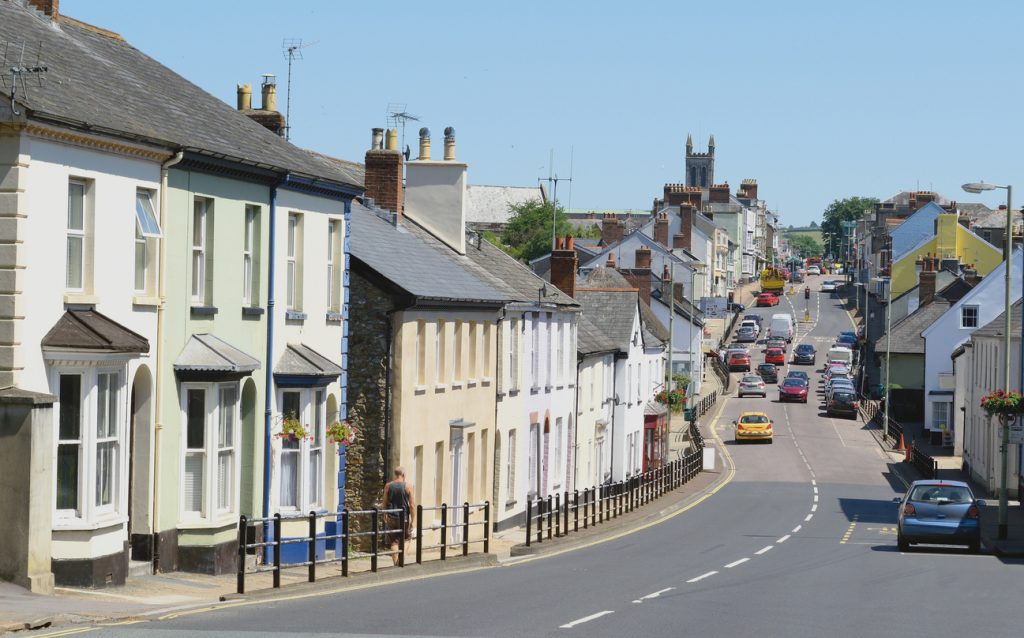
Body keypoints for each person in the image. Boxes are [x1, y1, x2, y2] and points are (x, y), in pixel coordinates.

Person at [383, 467, 415, 565]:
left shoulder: (388, 486)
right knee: (407, 538)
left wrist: (385, 514)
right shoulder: (408, 486)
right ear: (404, 475)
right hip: (404, 517)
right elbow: (412, 505)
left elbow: (384, 502)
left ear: (395, 474)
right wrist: (413, 521)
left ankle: (395, 563)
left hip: (391, 517)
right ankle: (401, 560)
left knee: (393, 541)